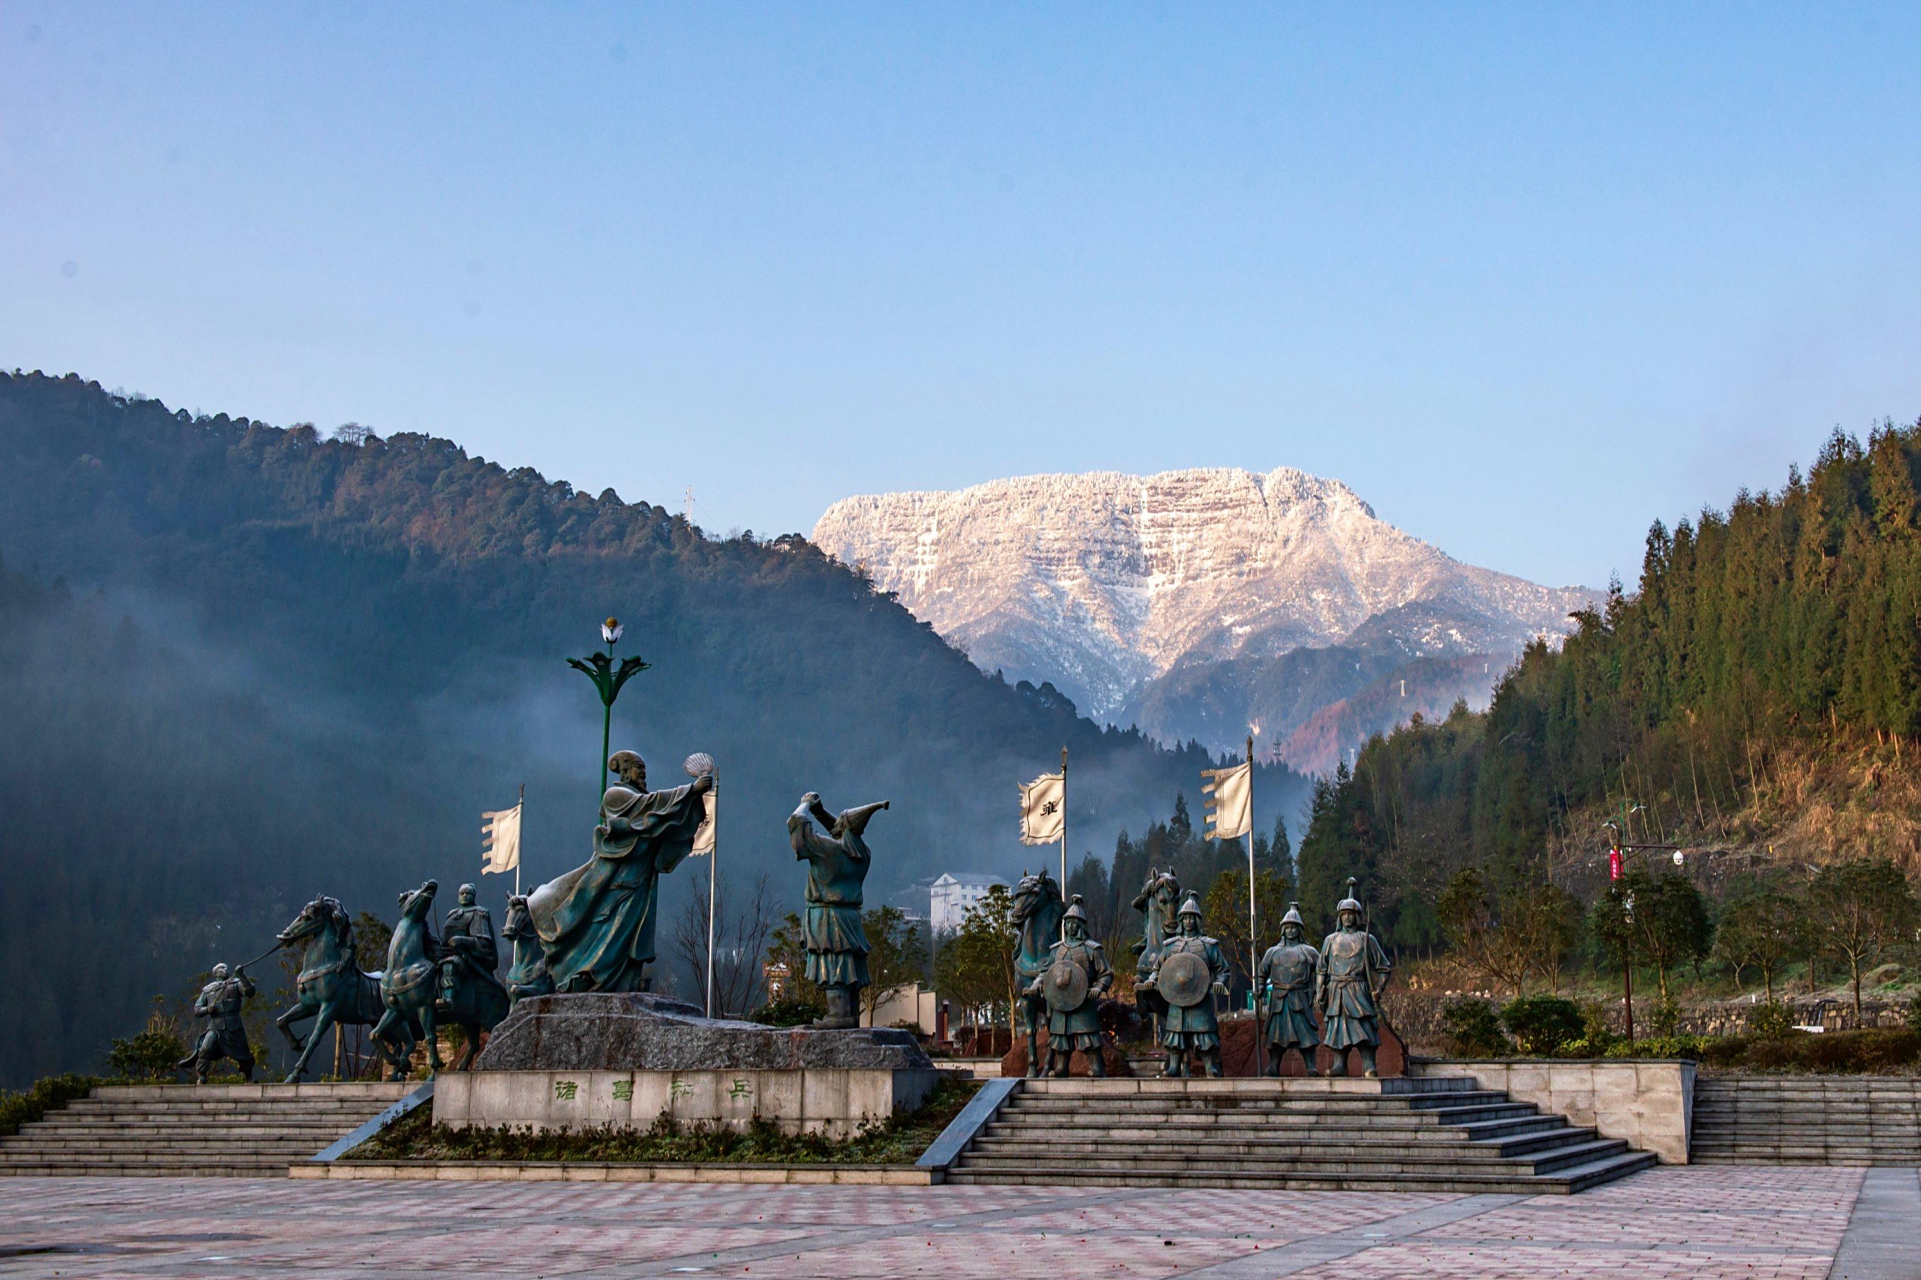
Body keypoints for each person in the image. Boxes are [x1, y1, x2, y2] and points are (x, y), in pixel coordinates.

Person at [532, 751, 711, 992]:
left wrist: (693, 798)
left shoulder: (644, 801)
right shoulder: (616, 796)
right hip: (612, 881)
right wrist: (689, 790)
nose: (643, 773)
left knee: (628, 933)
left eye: (644, 769)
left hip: (639, 880)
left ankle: (622, 981)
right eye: (638, 768)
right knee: (607, 930)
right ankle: (590, 975)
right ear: (625, 772)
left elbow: (663, 817)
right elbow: (650, 806)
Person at [788, 791, 889, 1029]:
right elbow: (842, 830)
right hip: (850, 916)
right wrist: (821, 812)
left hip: (828, 917)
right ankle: (850, 1014)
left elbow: (796, 827)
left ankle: (838, 1015)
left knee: (834, 964)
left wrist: (805, 805)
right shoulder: (863, 855)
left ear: (842, 828)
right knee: (848, 966)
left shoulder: (828, 851)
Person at [1026, 895, 1113, 1077]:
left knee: (1088, 1037)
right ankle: (1061, 1067)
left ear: (1081, 925)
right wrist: (1037, 984)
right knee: (1061, 1038)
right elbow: (1046, 972)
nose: (1070, 926)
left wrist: (1098, 988)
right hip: (1061, 1001)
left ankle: (1097, 1067)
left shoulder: (1092, 949)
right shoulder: (1056, 950)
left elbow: (1106, 973)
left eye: (1074, 923)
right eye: (1068, 923)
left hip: (1084, 1001)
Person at [1144, 894, 1229, 1078]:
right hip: (1177, 999)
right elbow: (1157, 968)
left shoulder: (1209, 946)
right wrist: (1152, 979)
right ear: (1181, 921)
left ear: (1197, 920)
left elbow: (1223, 970)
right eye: (1185, 918)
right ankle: (1174, 1066)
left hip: (1200, 998)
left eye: (1191, 917)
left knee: (1205, 1035)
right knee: (1176, 1035)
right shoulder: (1171, 946)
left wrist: (1219, 982)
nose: (1188, 921)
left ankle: (1210, 1067)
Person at [1315, 878, 1393, 1078]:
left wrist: (1379, 989)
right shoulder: (1330, 940)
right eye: (1344, 914)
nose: (1347, 917)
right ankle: (1339, 1065)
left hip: (1359, 990)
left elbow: (1384, 968)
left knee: (1364, 1029)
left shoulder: (1366, 939)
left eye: (1350, 914)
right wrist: (1319, 990)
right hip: (1336, 991)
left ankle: (1369, 1065)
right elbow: (1321, 969)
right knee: (1337, 1030)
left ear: (1357, 916)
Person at [1257, 902, 1321, 1076]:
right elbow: (1262, 972)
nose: (1290, 930)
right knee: (1276, 1035)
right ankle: (1273, 1065)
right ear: (1282, 930)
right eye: (1287, 927)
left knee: (1305, 1033)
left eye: (1293, 927)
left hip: (1300, 997)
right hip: (1278, 999)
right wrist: (1260, 988)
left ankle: (1311, 1066)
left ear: (1299, 930)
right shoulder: (1273, 952)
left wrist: (1318, 988)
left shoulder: (1308, 951)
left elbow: (1322, 970)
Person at [177, 963, 257, 1084]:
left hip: (233, 1025)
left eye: (226, 968)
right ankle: (201, 1075)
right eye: (222, 968)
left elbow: (250, 992)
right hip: (215, 1026)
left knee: (243, 1053)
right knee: (205, 1048)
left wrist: (242, 976)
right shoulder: (208, 989)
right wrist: (207, 1009)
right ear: (215, 972)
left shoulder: (236, 984)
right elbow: (197, 1010)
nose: (225, 969)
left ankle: (248, 1077)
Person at [439, 882, 508, 1007]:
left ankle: (448, 1000)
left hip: (467, 957)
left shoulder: (479, 913)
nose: (464, 895)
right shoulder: (452, 914)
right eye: (462, 893)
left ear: (473, 896)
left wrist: (462, 940)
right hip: (445, 952)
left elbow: (483, 943)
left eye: (468, 893)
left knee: (450, 965)